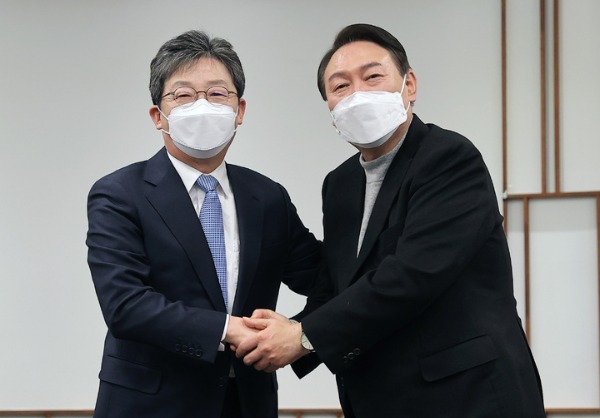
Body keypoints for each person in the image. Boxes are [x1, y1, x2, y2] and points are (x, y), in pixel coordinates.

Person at [235, 23, 546, 417]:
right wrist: (284, 332)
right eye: (340, 86)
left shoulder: (448, 158)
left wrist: (303, 336)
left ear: (409, 85)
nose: (357, 94)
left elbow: (412, 275)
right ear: (330, 108)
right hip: (380, 399)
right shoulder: (340, 184)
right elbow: (338, 285)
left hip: (468, 396)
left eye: (373, 77)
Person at [86, 30, 320, 418]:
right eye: (183, 95)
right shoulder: (119, 193)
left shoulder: (268, 197)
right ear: (158, 116)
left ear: (239, 110)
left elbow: (325, 277)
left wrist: (302, 334)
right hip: (150, 405)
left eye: (216, 93)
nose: (202, 106)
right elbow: (125, 305)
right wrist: (227, 329)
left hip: (247, 403)